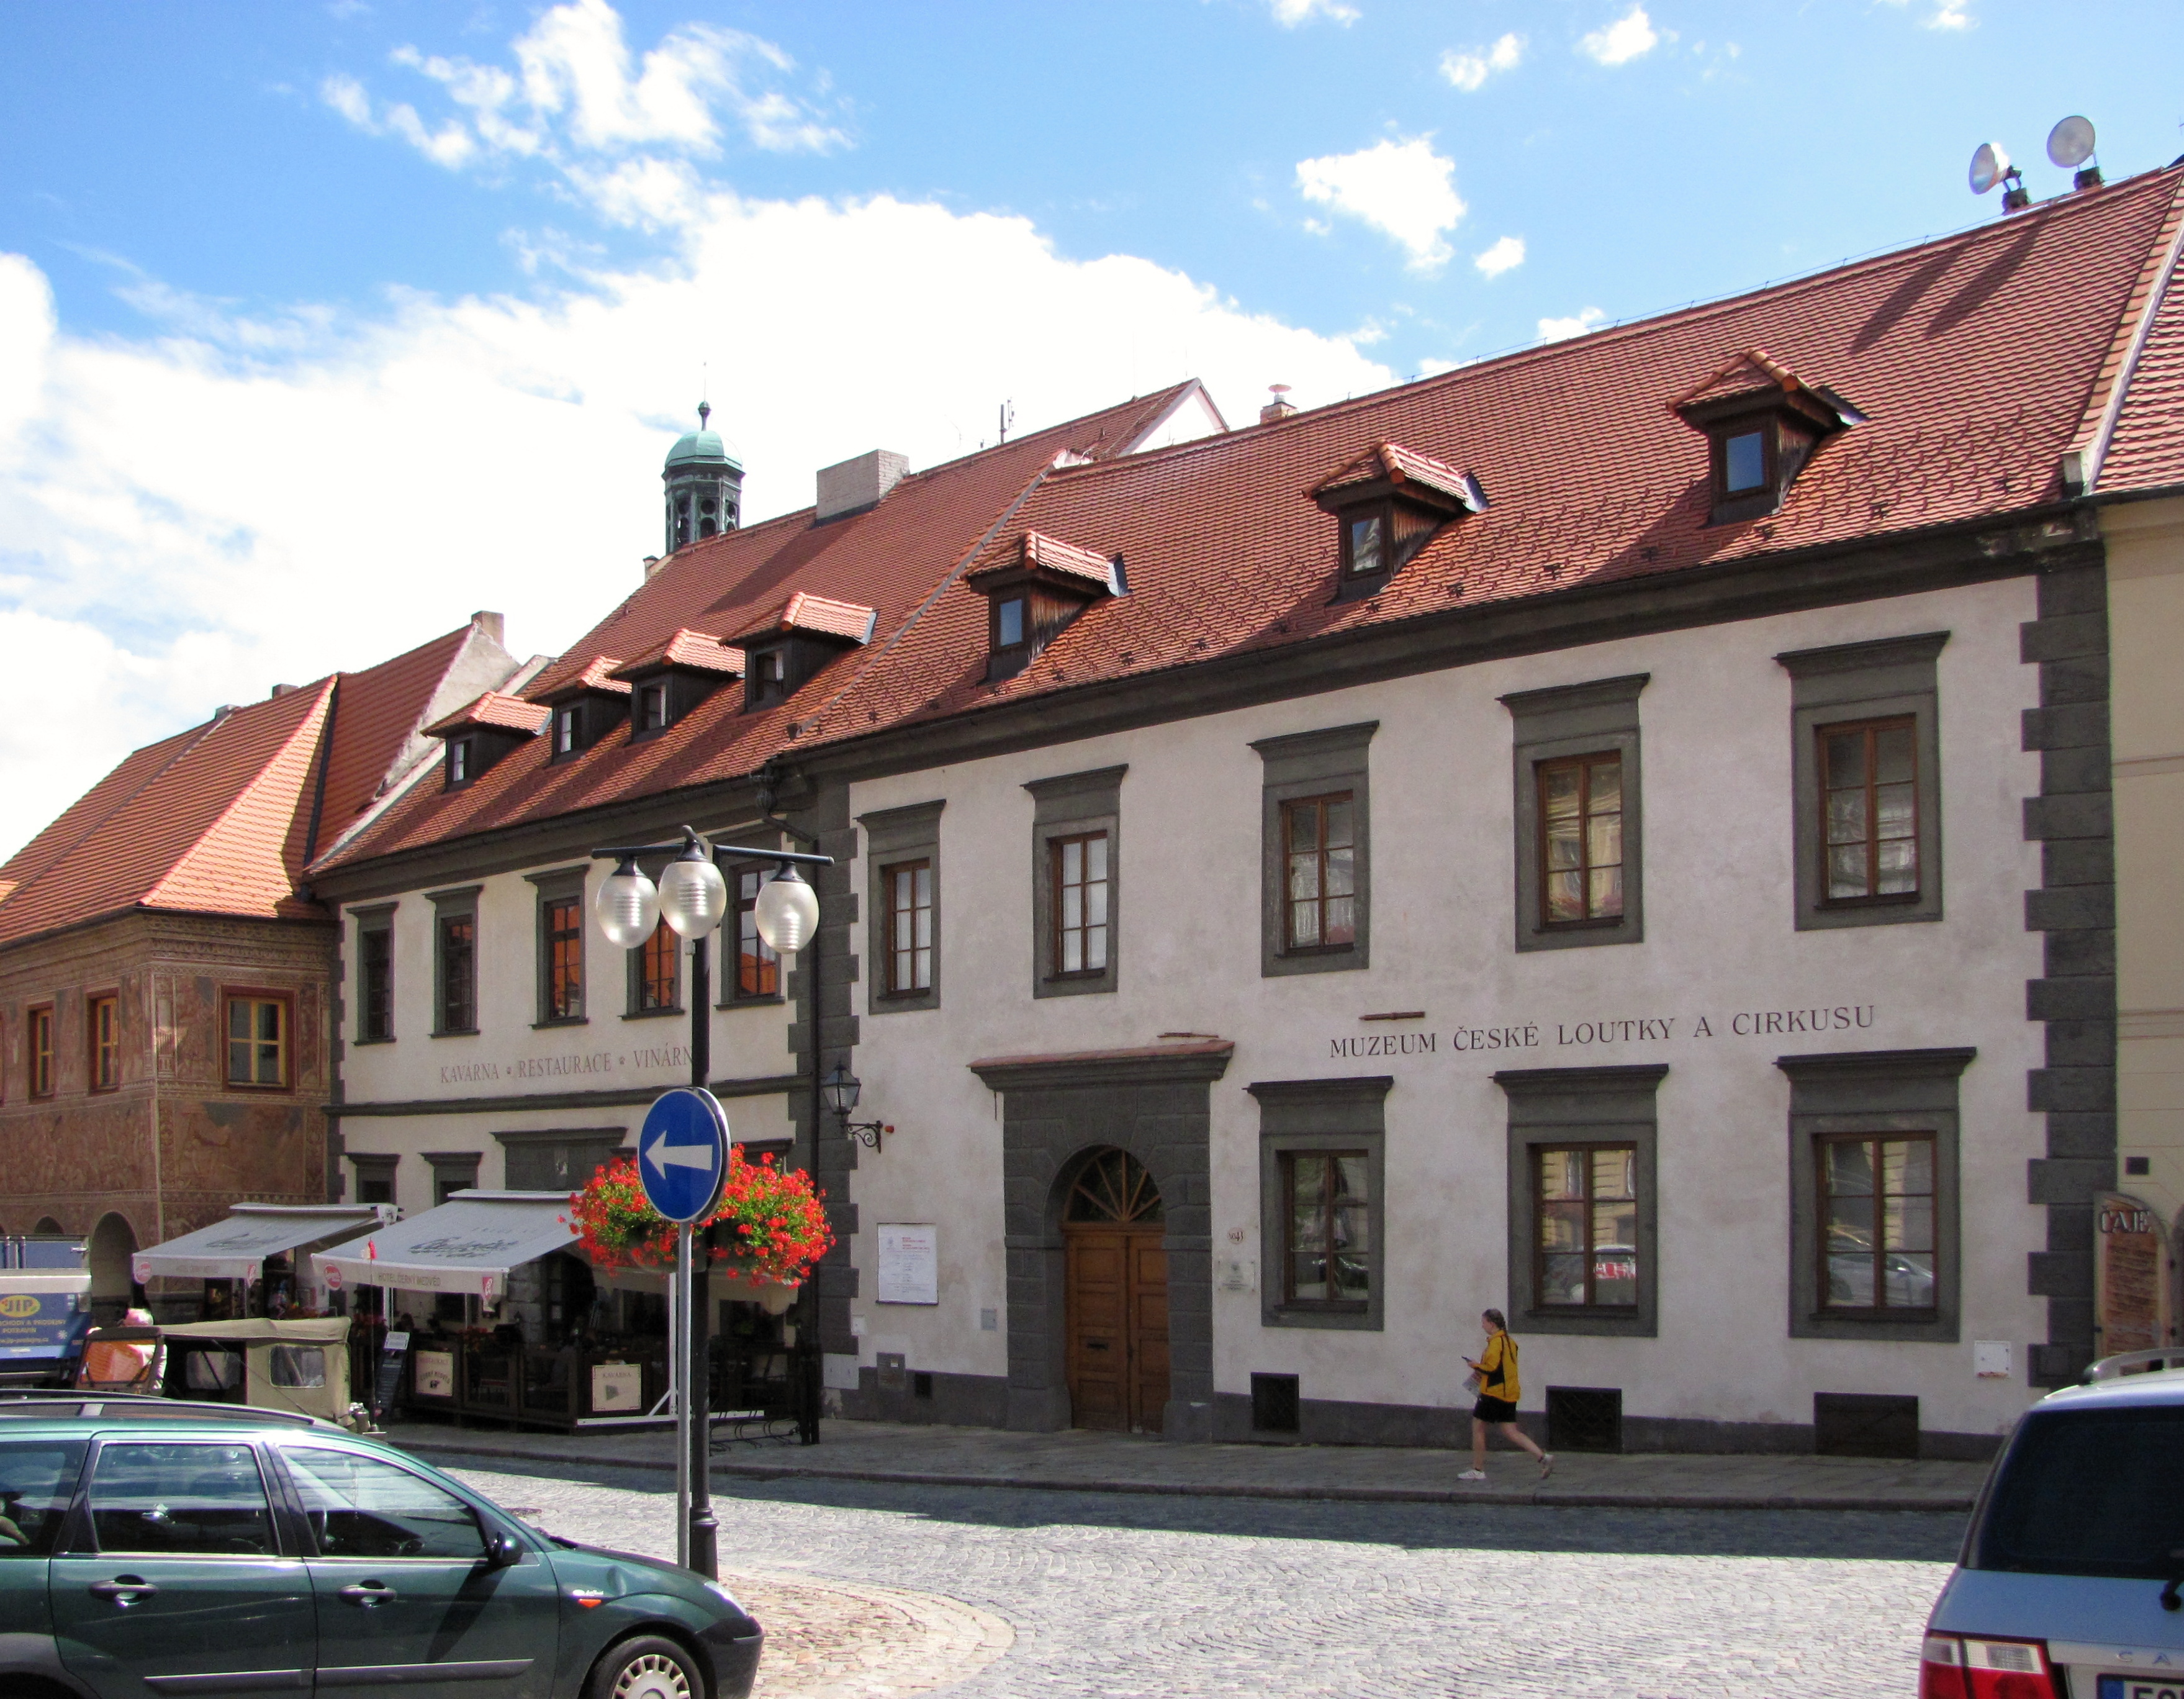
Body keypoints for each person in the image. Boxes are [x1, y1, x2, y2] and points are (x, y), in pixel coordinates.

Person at [1458, 1308, 1552, 1481]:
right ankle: (1543, 1457)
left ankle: (1478, 1469)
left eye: (1484, 1322)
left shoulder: (1496, 1343)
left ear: (1492, 1324)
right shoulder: (1511, 1342)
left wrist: (1474, 1365)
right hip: (1510, 1393)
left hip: (1493, 1393)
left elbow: (1492, 1369)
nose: (1482, 1325)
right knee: (1511, 1431)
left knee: (1478, 1428)